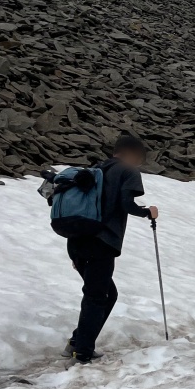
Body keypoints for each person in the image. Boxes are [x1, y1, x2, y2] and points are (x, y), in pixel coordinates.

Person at [66, 133, 158, 362]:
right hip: (101, 243)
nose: (139, 164)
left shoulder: (98, 169)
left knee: (105, 294)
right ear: (133, 154)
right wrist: (148, 212)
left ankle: (78, 341)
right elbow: (126, 204)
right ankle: (82, 352)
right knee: (97, 296)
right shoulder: (127, 171)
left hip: (77, 240)